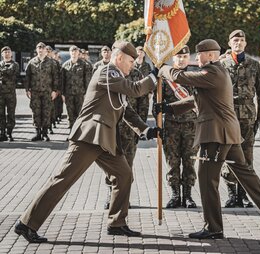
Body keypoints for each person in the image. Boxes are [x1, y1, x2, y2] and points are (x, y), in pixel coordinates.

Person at [14, 41, 160, 243]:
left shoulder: (117, 79)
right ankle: (27, 223)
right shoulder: (107, 72)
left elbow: (126, 111)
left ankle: (117, 223)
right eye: (130, 61)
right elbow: (135, 89)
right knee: (63, 179)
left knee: (124, 175)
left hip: (106, 140)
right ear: (119, 58)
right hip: (89, 136)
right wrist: (155, 75)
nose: (132, 65)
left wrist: (146, 129)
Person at [157, 39, 260, 239]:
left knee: (207, 180)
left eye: (198, 54)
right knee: (244, 172)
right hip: (227, 133)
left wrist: (163, 67)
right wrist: (169, 108)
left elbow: (179, 77)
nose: (195, 58)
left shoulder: (213, 72)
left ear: (210, 55)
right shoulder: (216, 72)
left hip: (216, 135)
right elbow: (195, 99)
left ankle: (213, 227)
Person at [220, 30, 260, 208]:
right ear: (229, 43)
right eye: (235, 40)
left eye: (241, 40)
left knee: (247, 158)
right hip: (228, 117)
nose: (238, 43)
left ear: (245, 44)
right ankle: (232, 195)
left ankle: (244, 195)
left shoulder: (254, 65)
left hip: (248, 118)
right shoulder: (222, 65)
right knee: (228, 157)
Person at [159, 45, 199, 209]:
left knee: (190, 162)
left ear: (188, 58)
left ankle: (188, 196)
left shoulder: (196, 76)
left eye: (184, 57)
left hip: (192, 126)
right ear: (173, 58)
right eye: (178, 57)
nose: (181, 59)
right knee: (172, 162)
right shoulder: (166, 78)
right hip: (171, 126)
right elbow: (159, 102)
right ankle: (175, 195)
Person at [25, 42, 59, 141]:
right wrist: (27, 89)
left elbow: (55, 77)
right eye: (38, 48)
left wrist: (54, 90)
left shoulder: (51, 63)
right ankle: (37, 133)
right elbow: (27, 77)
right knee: (36, 112)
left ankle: (45, 133)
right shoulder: (31, 62)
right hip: (35, 92)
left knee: (46, 112)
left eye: (42, 48)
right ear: (36, 50)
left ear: (45, 50)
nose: (40, 50)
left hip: (47, 92)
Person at [61, 46, 89, 130]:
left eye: (75, 52)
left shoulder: (84, 65)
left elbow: (87, 80)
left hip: (80, 94)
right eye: (72, 52)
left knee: (80, 113)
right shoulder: (65, 65)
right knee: (70, 114)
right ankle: (71, 133)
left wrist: (86, 93)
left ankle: (79, 133)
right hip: (68, 94)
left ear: (78, 53)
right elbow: (62, 81)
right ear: (70, 53)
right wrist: (62, 94)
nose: (74, 53)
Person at [0, 46, 19, 141]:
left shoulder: (15, 64)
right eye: (5, 52)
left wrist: (2, 72)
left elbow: (11, 72)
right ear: (2, 54)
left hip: (11, 93)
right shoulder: (0, 64)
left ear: (11, 54)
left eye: (8, 52)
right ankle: (2, 132)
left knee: (11, 114)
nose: (7, 54)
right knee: (1, 114)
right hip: (1, 94)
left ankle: (9, 133)